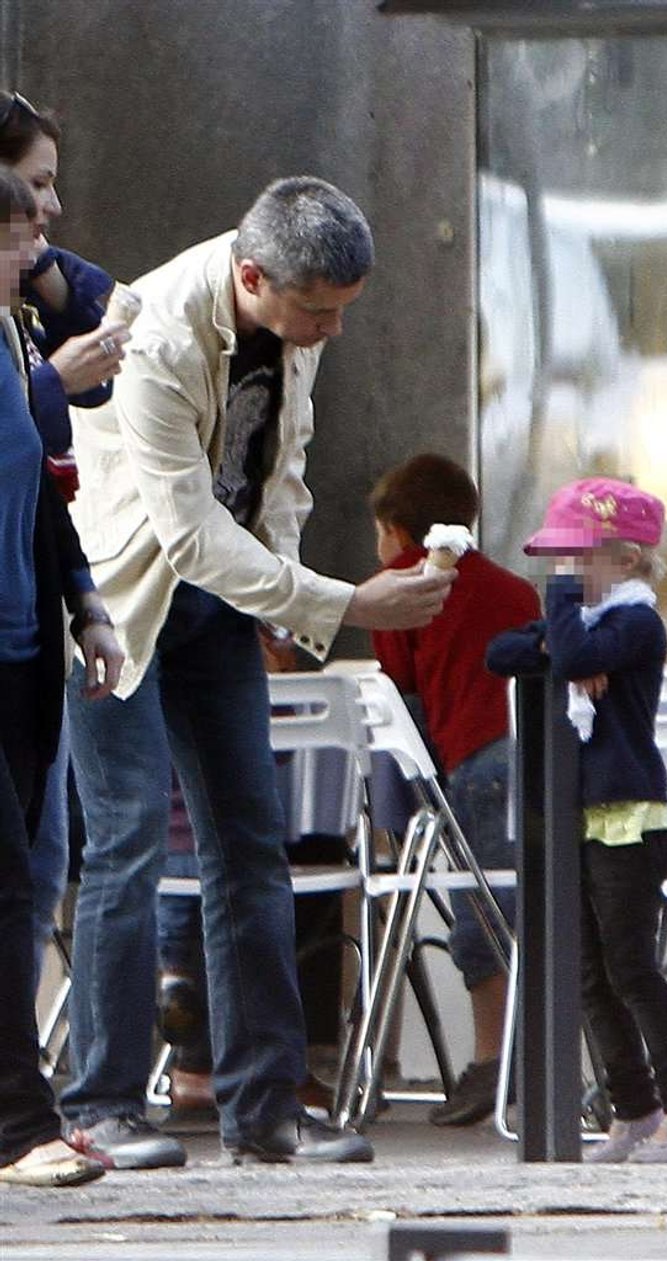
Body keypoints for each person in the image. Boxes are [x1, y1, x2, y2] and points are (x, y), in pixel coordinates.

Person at [62, 175, 455, 1170]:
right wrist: (340, 604)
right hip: (115, 605)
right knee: (127, 841)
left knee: (251, 842)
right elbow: (187, 531)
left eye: (341, 313)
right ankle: (105, 1099)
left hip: (217, 602)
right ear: (251, 276)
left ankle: (264, 1109)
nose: (327, 331)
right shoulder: (152, 335)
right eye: (315, 311)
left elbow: (282, 470)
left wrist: (280, 603)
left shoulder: (293, 328)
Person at [486, 476, 667, 1163]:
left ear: (625, 561)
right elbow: (498, 653)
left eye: (576, 559)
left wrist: (564, 639)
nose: (562, 574)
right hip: (583, 816)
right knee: (588, 970)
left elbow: (583, 655)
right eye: (556, 562)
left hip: (632, 818)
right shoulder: (585, 628)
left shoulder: (635, 621)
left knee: (631, 964)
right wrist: (554, 649)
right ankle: (634, 1106)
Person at [0, 164, 122, 1187]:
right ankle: (18, 1122)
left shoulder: (13, 339)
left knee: (22, 879)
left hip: (22, 647)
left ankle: (21, 1113)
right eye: (17, 233)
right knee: (9, 880)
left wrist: (85, 604)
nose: (34, 254)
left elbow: (40, 490)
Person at [368, 453, 541, 1125]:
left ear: (396, 530)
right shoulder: (512, 587)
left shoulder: (397, 585)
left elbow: (398, 693)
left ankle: (493, 1060)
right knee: (524, 902)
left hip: (473, 755)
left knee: (481, 909)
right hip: (532, 752)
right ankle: (539, 1050)